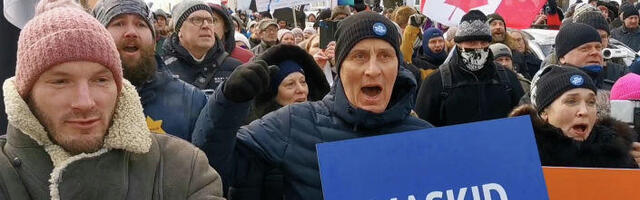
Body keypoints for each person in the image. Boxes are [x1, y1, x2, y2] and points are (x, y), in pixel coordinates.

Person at [191, 12, 433, 200]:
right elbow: (207, 168)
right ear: (340, 66)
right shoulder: (293, 124)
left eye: (385, 56)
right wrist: (227, 103)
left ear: (397, 67)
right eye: (359, 56)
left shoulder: (426, 139)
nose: (372, 69)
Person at [0, 1, 223, 198]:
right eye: (61, 82)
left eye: (100, 80)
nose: (85, 101)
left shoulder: (183, 168)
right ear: (25, 92)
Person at [93, 0, 209, 141]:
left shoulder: (192, 102)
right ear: (97, 36)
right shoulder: (81, 100)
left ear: (154, 41)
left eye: (140, 24)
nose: (131, 33)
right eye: (119, 23)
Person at [509, 66, 638, 168]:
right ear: (544, 112)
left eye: (591, 102)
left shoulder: (617, 156)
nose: (584, 111)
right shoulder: (519, 156)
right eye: (571, 101)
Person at [414, 10, 525, 126]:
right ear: (458, 44)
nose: (478, 47)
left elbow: (524, 125)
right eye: (471, 42)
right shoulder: (436, 82)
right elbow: (421, 131)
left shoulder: (507, 78)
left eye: (483, 42)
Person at [162, 0, 241, 90]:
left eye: (210, 20)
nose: (206, 25)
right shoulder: (160, 69)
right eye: (197, 20)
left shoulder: (235, 69)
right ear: (179, 30)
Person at [573, 11, 630, 90]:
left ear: (608, 38)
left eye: (602, 37)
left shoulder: (620, 69)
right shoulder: (565, 71)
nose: (598, 41)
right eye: (592, 35)